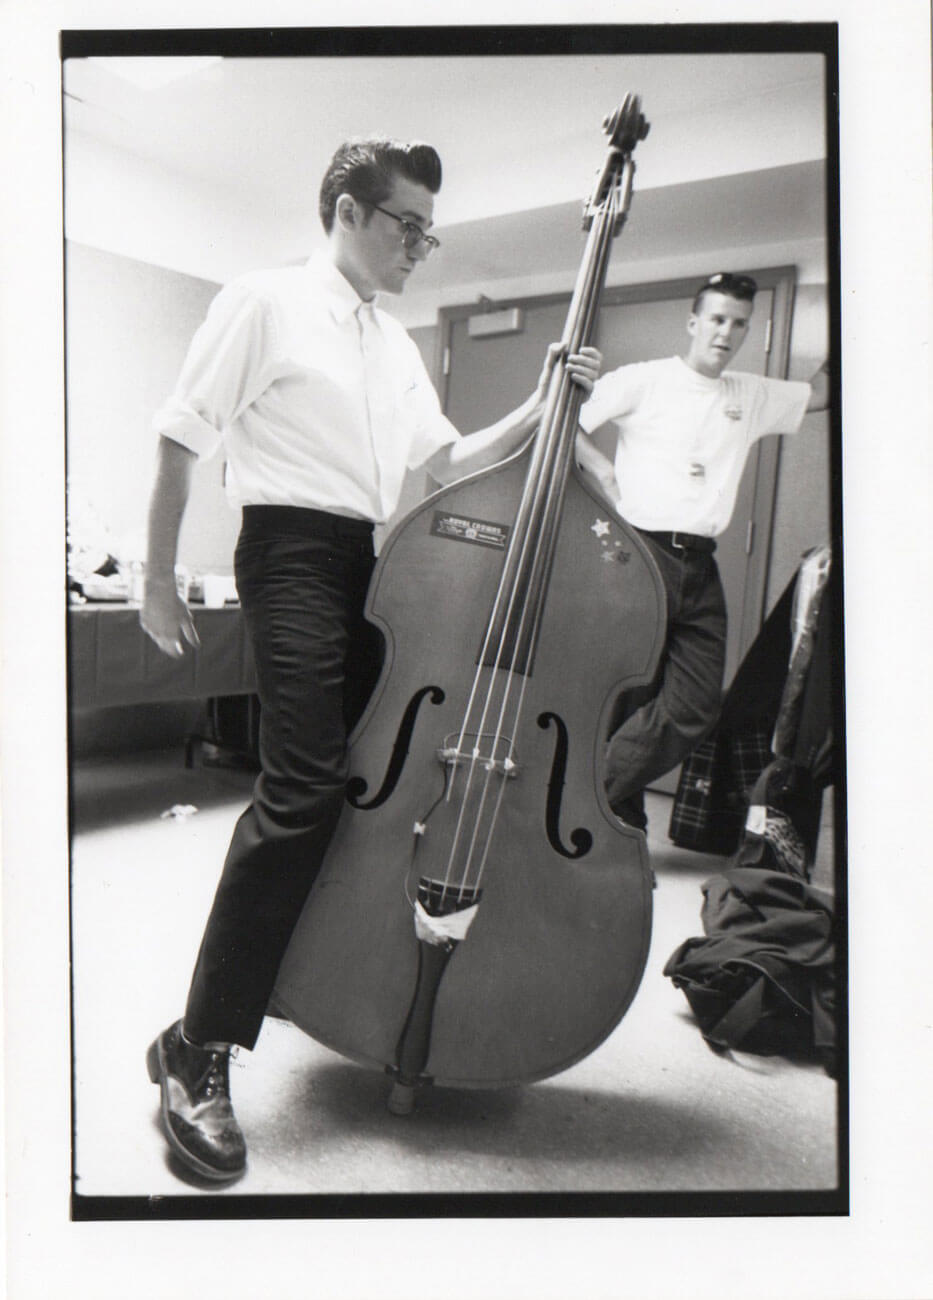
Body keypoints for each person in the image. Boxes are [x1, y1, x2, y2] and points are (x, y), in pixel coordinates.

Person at [140, 136, 600, 1183]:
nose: (420, 247)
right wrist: (160, 578)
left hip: (367, 559)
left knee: (355, 787)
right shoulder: (261, 301)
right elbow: (179, 438)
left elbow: (444, 458)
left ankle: (258, 1000)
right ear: (346, 210)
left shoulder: (391, 342)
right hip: (289, 552)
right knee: (300, 788)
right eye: (407, 225)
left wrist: (545, 397)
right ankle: (199, 1049)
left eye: (429, 232)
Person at [575, 271, 829, 831]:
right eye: (717, 319)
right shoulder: (645, 381)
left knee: (693, 707)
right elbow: (562, 420)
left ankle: (579, 799)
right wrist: (605, 472)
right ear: (694, 322)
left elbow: (824, 391)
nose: (726, 332)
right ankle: (613, 836)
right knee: (628, 696)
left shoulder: (750, 394)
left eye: (739, 323)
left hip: (700, 564)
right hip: (638, 556)